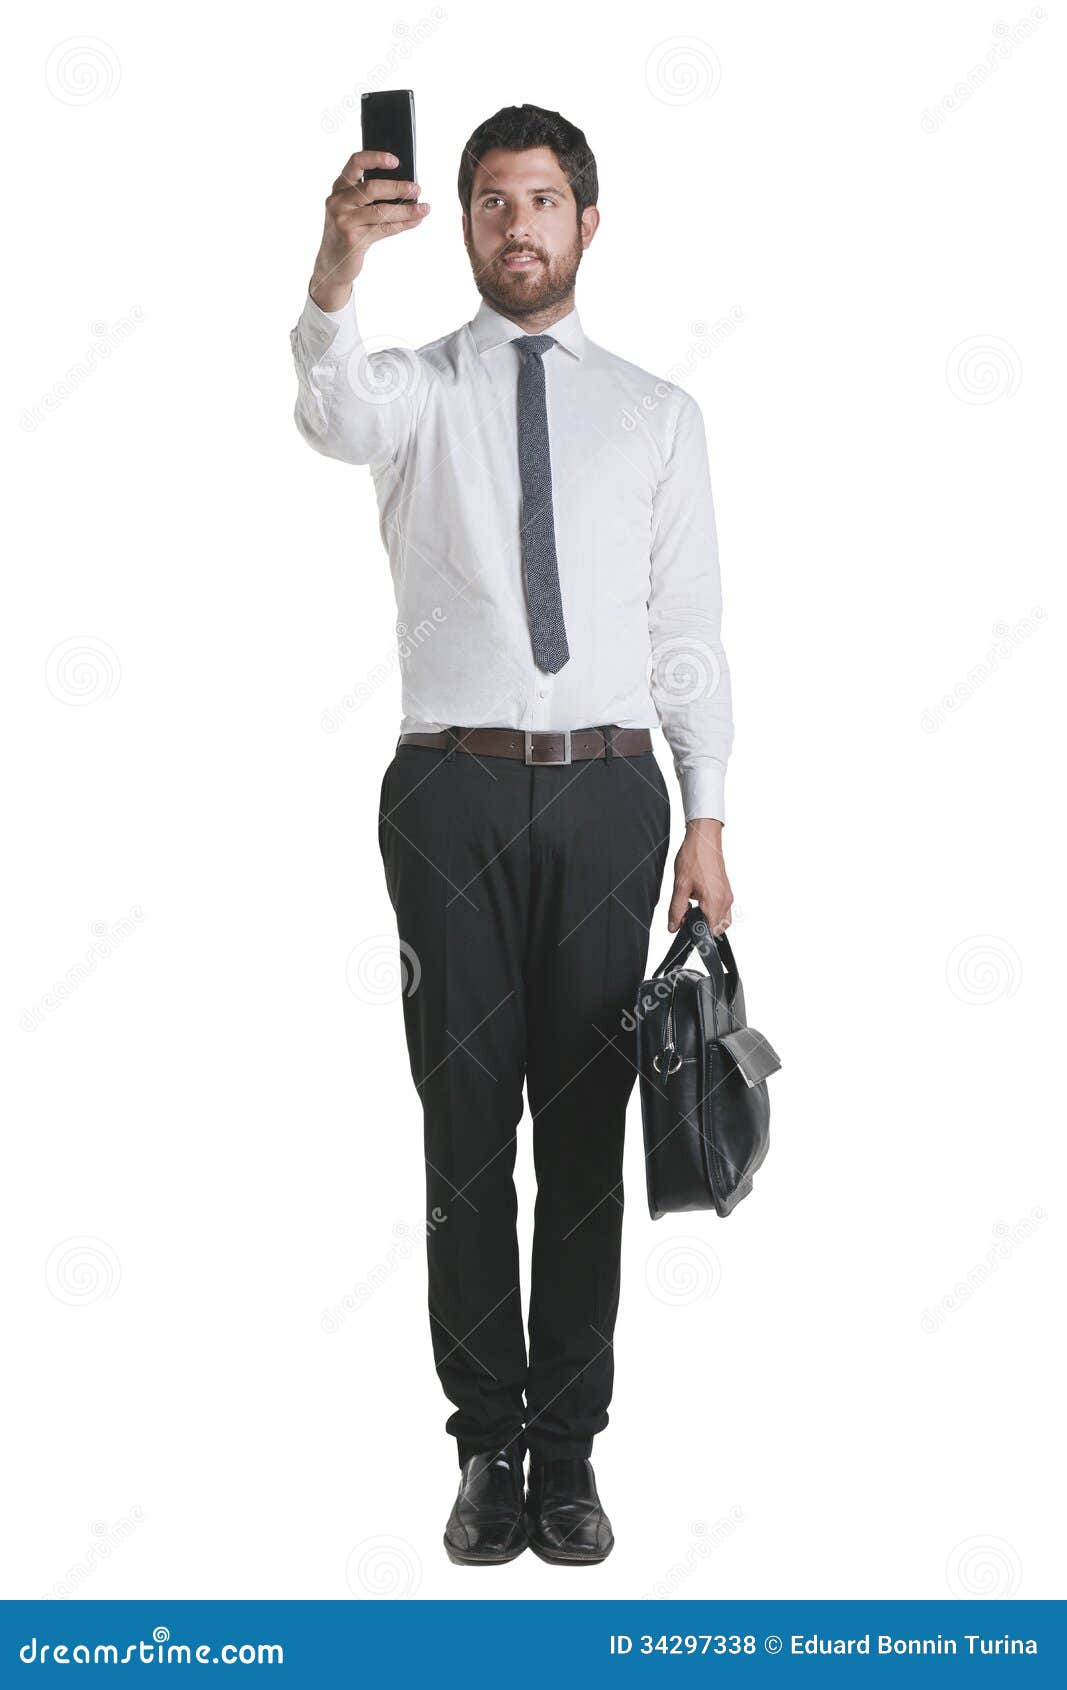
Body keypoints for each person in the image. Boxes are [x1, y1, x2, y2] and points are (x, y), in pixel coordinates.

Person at [291, 103, 733, 1566]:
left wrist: (707, 814)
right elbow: (326, 410)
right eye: (491, 201)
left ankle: (571, 1445)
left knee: (589, 1130)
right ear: (466, 224)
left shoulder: (656, 414)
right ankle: (486, 1443)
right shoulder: (413, 391)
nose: (517, 225)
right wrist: (338, 264)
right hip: (450, 794)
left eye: (543, 199)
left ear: (587, 223)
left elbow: (686, 637)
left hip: (610, 795)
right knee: (470, 1130)